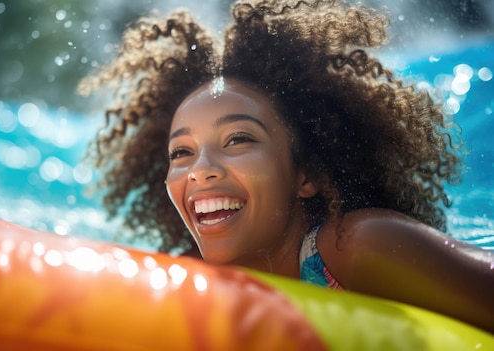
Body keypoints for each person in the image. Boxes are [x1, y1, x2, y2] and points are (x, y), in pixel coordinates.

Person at [79, 0, 494, 333]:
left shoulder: (356, 247)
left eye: (238, 139)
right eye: (180, 152)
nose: (199, 170)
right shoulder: (186, 272)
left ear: (305, 175)